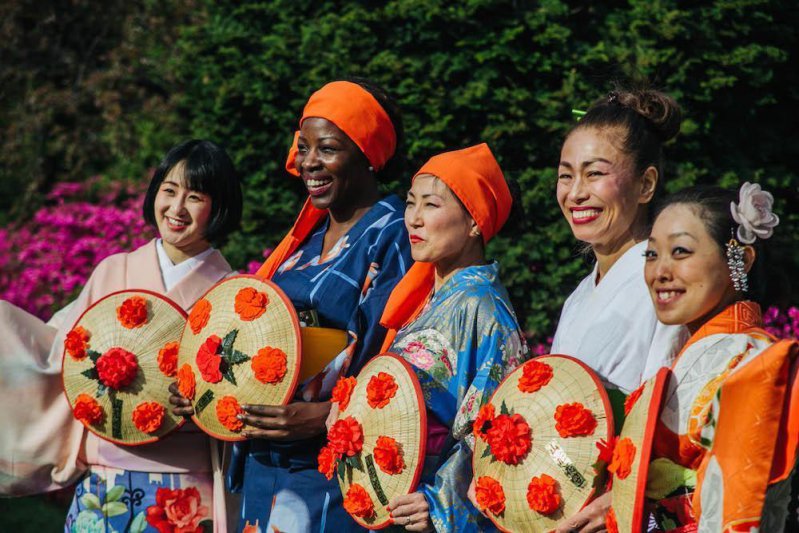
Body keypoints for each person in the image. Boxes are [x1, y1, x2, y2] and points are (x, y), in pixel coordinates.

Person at [189, 79, 412, 532]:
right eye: (304, 146)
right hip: (267, 459)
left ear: (367, 153)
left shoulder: (393, 235)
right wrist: (204, 384)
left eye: (327, 148)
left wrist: (325, 416)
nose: (309, 162)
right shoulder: (304, 242)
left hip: (331, 464)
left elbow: (395, 360)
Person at [0, 139, 243, 533]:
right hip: (105, 481)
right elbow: (59, 353)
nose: (176, 209)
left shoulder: (233, 291)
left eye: (195, 197)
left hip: (187, 488)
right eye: (169, 191)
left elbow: (241, 398)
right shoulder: (113, 270)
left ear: (219, 207)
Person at [543, 87, 691, 532]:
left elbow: (673, 417)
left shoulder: (664, 281)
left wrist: (625, 497)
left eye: (595, 175)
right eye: (566, 176)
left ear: (646, 184)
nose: (575, 193)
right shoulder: (578, 297)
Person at [373, 144, 529, 532]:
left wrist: (440, 501)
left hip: (427, 510)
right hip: (399, 499)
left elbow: (493, 423)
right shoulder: (430, 298)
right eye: (411, 204)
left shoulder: (483, 307)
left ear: (475, 221)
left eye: (431, 205)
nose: (414, 219)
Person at [640, 183, 797, 531]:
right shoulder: (700, 350)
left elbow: (733, 510)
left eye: (680, 251)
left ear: (739, 260)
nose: (659, 271)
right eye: (651, 254)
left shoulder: (751, 363)